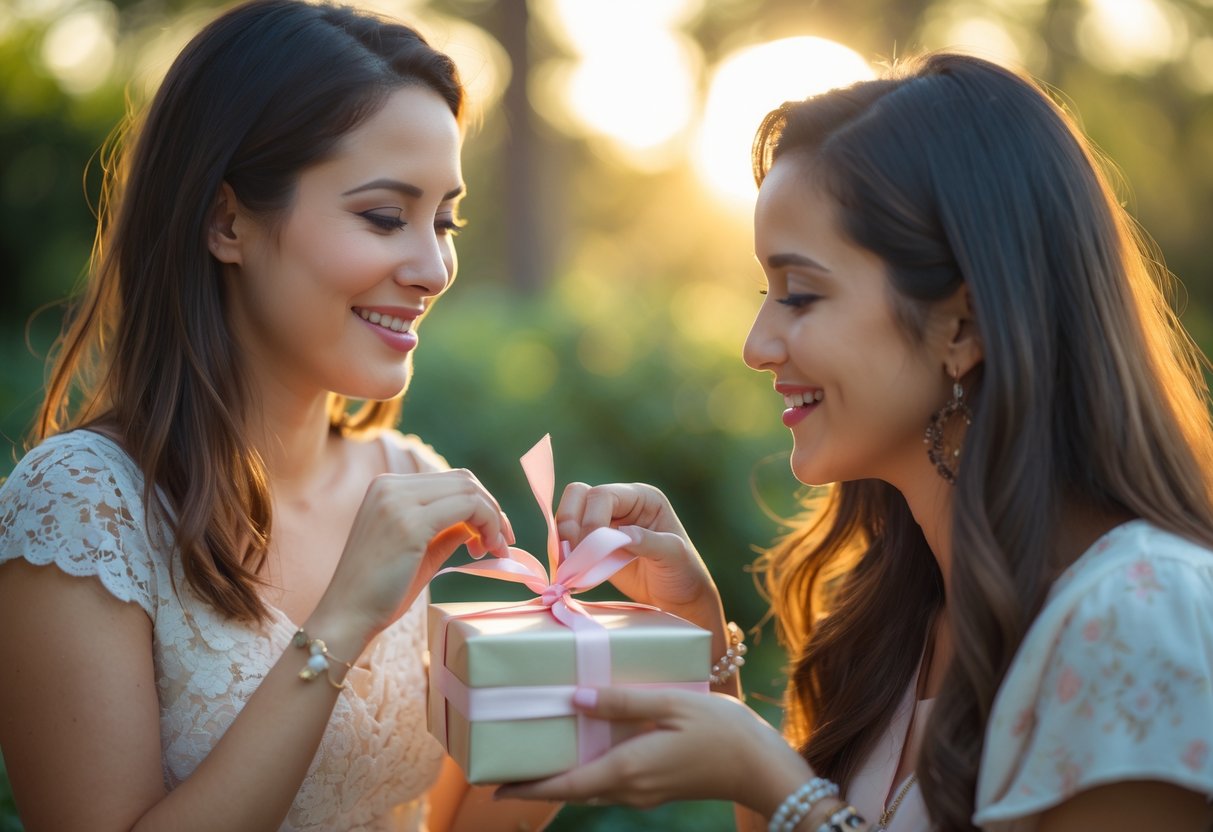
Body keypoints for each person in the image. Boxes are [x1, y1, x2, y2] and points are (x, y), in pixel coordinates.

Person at [495, 52, 1213, 831]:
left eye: (799, 294)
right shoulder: (908, 618)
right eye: (763, 294)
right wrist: (698, 639)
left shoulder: (1142, 616)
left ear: (963, 326)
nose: (756, 343)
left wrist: (784, 791)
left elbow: (806, 815)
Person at [0, 1, 558, 829]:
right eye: (383, 216)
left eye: (445, 220)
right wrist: (340, 623)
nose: (434, 266)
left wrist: (555, 711)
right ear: (227, 221)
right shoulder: (83, 506)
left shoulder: (410, 479)